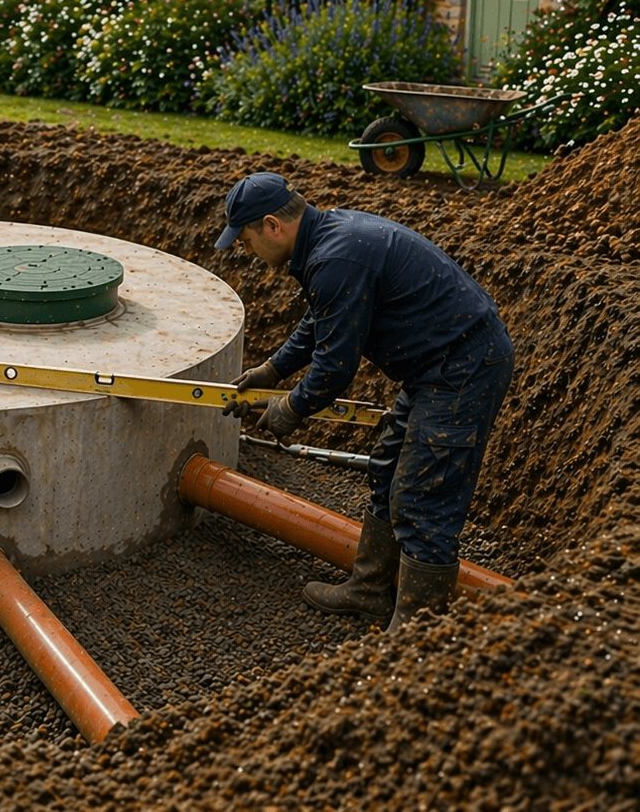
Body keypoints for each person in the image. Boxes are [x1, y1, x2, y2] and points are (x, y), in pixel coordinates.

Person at [215, 172, 513, 631]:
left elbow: (335, 367)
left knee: (422, 499)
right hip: (434, 367)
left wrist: (289, 409)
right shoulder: (331, 238)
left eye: (248, 240)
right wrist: (272, 371)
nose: (248, 251)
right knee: (388, 471)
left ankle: (416, 634)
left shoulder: (336, 257)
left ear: (273, 225)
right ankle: (372, 590)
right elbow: (321, 321)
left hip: (463, 368)